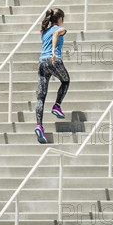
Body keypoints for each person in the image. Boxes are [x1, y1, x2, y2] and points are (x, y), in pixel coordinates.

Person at [35, 8, 70, 144]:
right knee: (66, 81)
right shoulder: (61, 29)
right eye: (63, 18)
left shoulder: (43, 32)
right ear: (60, 18)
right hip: (53, 60)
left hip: (42, 62)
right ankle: (57, 105)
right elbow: (56, 35)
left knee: (41, 96)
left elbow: (48, 36)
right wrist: (54, 52)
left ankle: (39, 126)